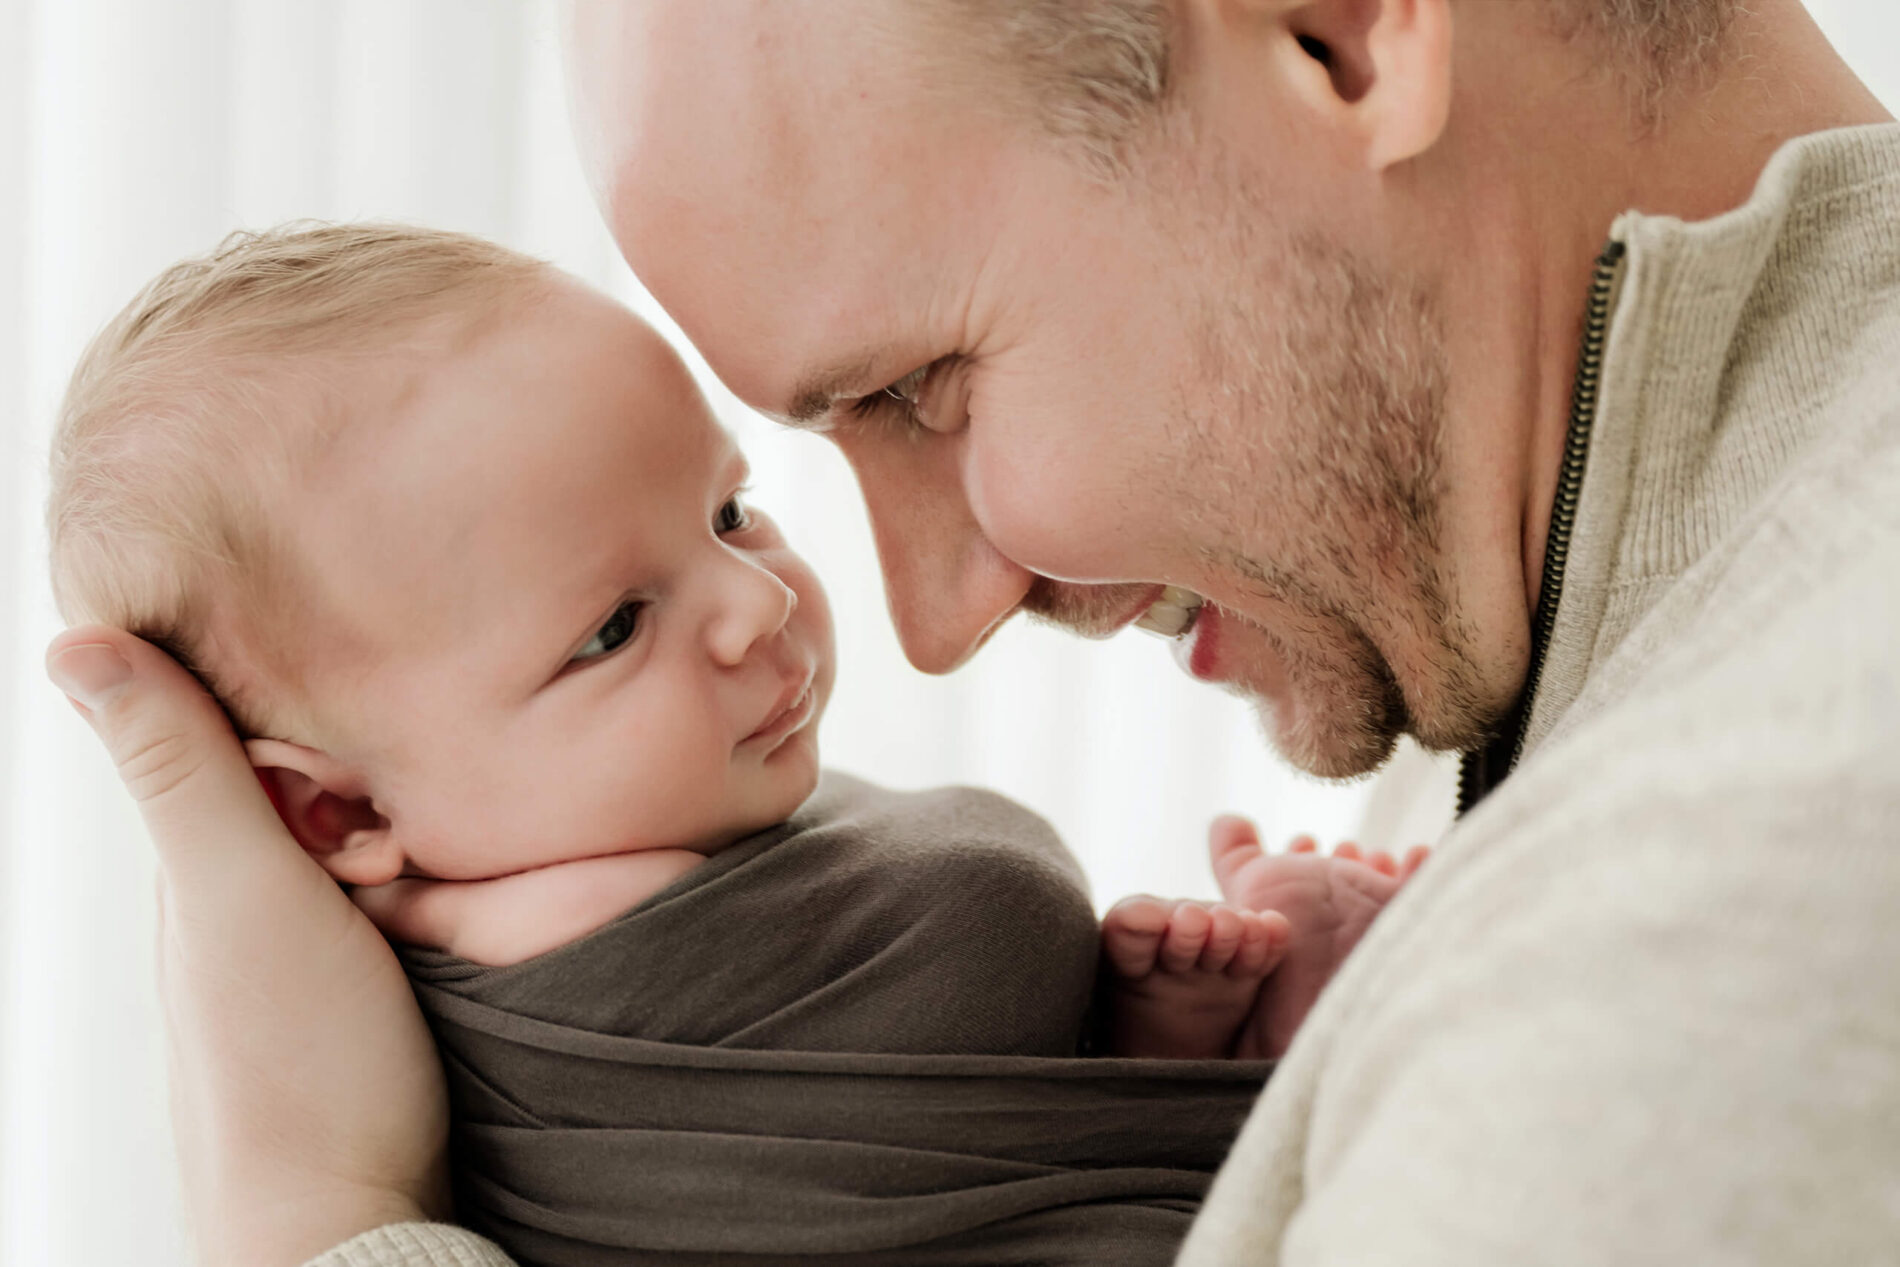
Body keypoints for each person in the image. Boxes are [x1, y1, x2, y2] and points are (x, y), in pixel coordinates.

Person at [43, 0, 1900, 1262]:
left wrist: (320, 1211)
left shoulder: (1709, 943)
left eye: (924, 388)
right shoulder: (1627, 666)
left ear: (1333, 32)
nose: (927, 622)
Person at [47, 223, 1422, 1266]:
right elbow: (931, 1030)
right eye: (612, 629)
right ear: (337, 822)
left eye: (728, 513)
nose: (757, 607)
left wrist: (1151, 1032)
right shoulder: (541, 949)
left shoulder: (660, 840)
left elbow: (945, 1126)